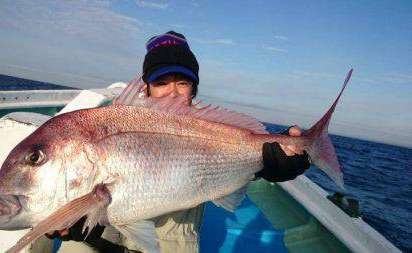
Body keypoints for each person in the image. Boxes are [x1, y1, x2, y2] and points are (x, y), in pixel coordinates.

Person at [48, 31, 310, 253]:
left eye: (182, 82)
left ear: (193, 90)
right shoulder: (115, 119)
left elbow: (244, 149)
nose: (172, 92)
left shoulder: (210, 128)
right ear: (146, 88)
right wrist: (71, 217)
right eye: (161, 82)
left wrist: (274, 161)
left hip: (171, 238)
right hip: (104, 230)